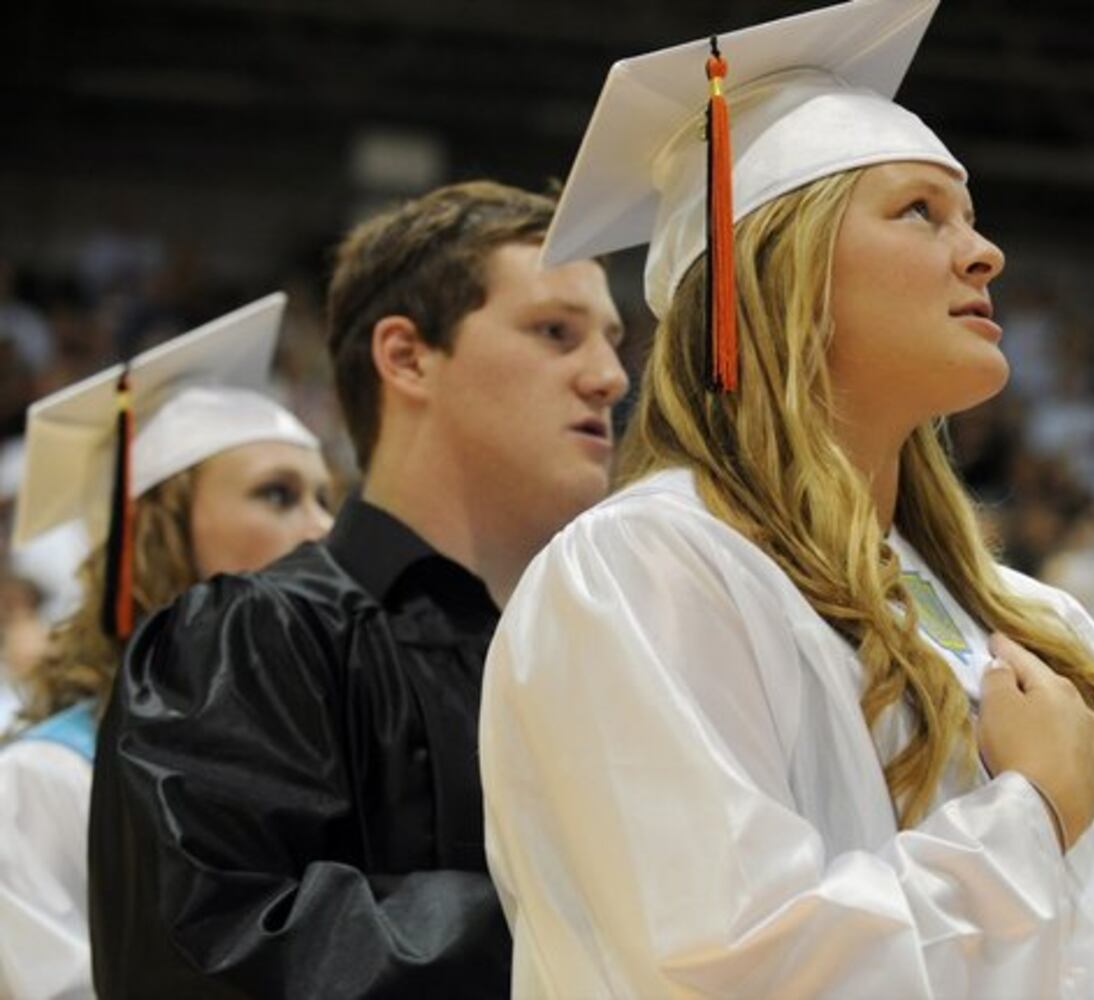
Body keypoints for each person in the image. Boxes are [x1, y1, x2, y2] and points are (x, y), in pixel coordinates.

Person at [480, 1, 1094, 996]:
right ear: (774, 273)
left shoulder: (1042, 625)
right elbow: (724, 964)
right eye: (917, 212)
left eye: (968, 216)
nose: (983, 253)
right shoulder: (646, 574)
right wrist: (1023, 816)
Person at [88, 180, 628, 997]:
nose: (610, 377)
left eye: (613, 340)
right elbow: (200, 952)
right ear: (407, 357)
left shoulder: (595, 650)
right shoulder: (251, 640)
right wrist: (591, 916)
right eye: (556, 332)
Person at [0, 292, 333, 1000]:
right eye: (277, 496)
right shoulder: (49, 783)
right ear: (156, 533)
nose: (320, 531)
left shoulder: (323, 754)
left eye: (324, 497)